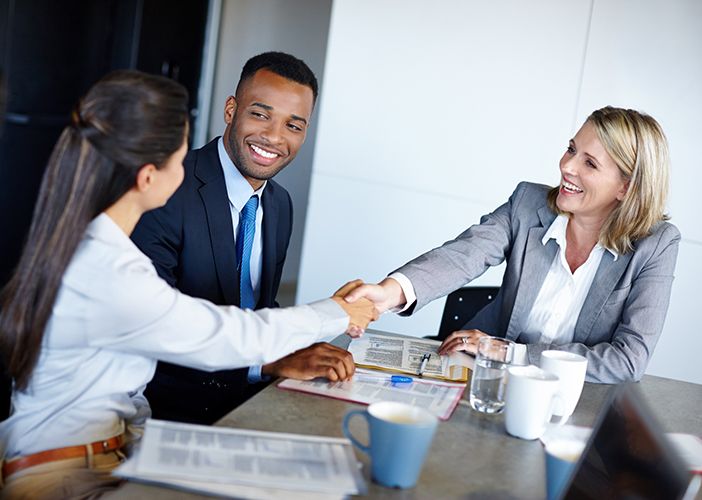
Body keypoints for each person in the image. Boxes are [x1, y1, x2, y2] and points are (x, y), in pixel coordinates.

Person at [0, 70, 376, 499]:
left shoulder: (96, 246)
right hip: (66, 474)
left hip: (109, 452)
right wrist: (336, 312)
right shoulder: (111, 274)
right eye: (179, 160)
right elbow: (219, 335)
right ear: (147, 177)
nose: (188, 168)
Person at [342, 106, 678, 384]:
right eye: (571, 149)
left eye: (589, 163)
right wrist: (391, 292)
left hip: (576, 399)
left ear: (626, 187)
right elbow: (465, 254)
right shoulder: (527, 203)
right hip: (485, 382)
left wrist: (512, 352)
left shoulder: (656, 245)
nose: (566, 166)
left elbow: (628, 360)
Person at [131, 52, 356, 424]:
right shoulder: (168, 189)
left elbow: (256, 307)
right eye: (260, 114)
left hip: (247, 405)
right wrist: (265, 362)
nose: (274, 137)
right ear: (231, 110)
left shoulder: (279, 205)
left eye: (293, 126)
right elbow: (155, 329)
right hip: (167, 413)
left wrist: (307, 343)